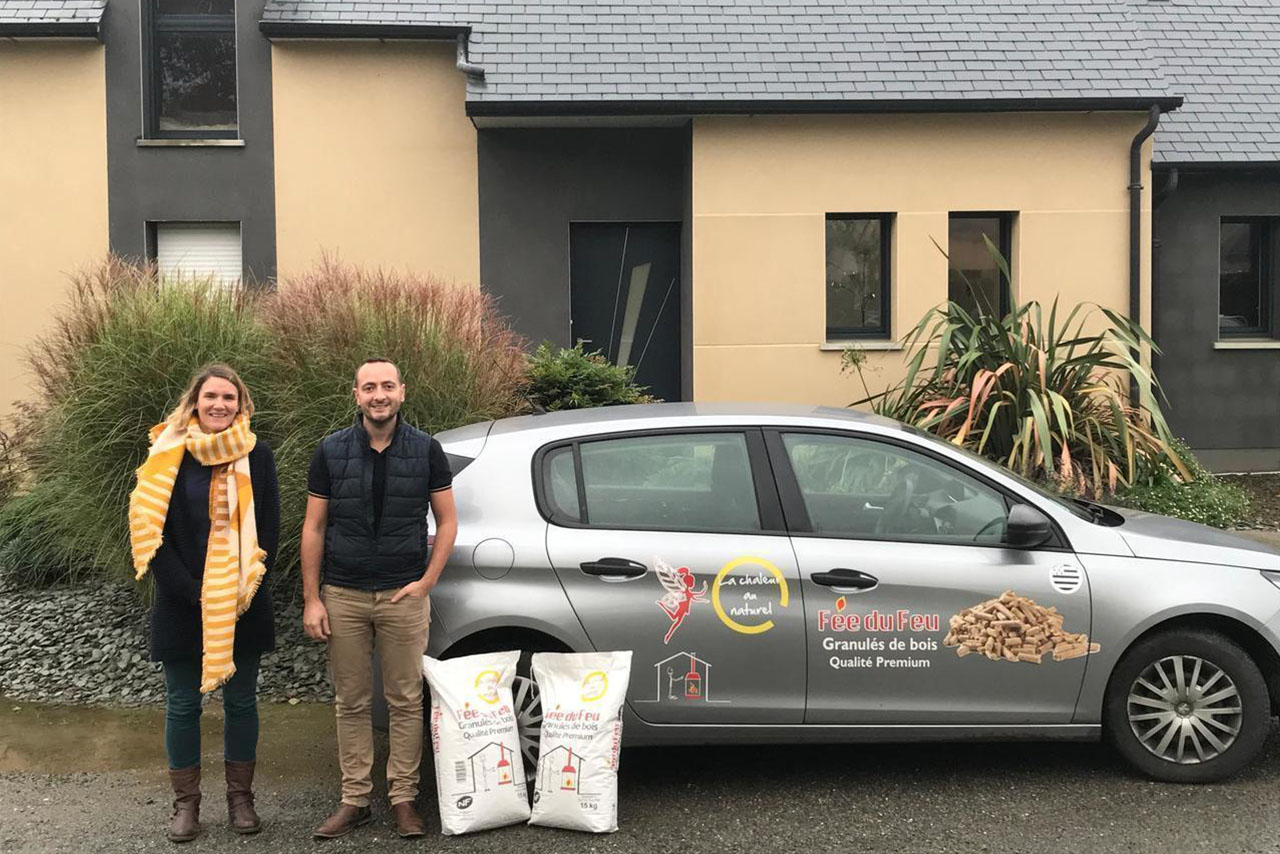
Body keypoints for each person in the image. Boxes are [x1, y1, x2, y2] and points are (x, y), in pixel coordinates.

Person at [302, 357, 457, 839]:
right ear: (356, 395)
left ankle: (404, 798)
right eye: (369, 387)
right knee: (351, 701)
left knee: (406, 700)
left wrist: (427, 582)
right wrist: (313, 598)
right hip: (343, 594)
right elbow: (314, 526)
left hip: (403, 594)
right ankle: (355, 799)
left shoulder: (427, 450)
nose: (378, 395)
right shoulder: (330, 451)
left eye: (387, 386)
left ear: (402, 392)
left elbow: (447, 521)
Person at [128, 364, 279, 843]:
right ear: (195, 400)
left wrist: (234, 591)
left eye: (229, 398)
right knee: (181, 704)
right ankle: (186, 806)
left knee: (240, 702)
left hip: (243, 598)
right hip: (180, 599)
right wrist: (191, 591)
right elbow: (154, 532)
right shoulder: (168, 454)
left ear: (241, 404)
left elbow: (270, 530)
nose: (220, 405)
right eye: (211, 396)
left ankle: (240, 799)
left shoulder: (259, 455)